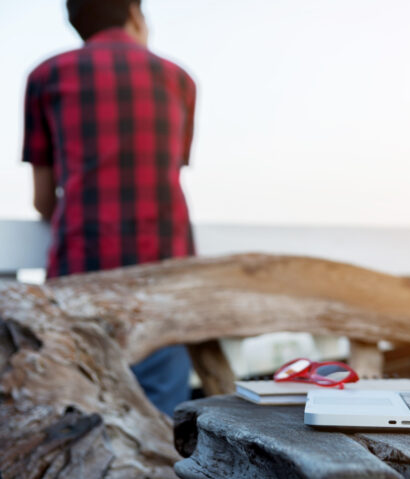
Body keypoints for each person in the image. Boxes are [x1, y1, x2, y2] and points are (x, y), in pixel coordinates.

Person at [22, 0, 196, 417]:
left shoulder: (46, 75)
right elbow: (167, 171)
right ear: (136, 15)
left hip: (81, 274)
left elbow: (42, 200)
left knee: (82, 419)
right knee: (164, 427)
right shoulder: (179, 79)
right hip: (164, 276)